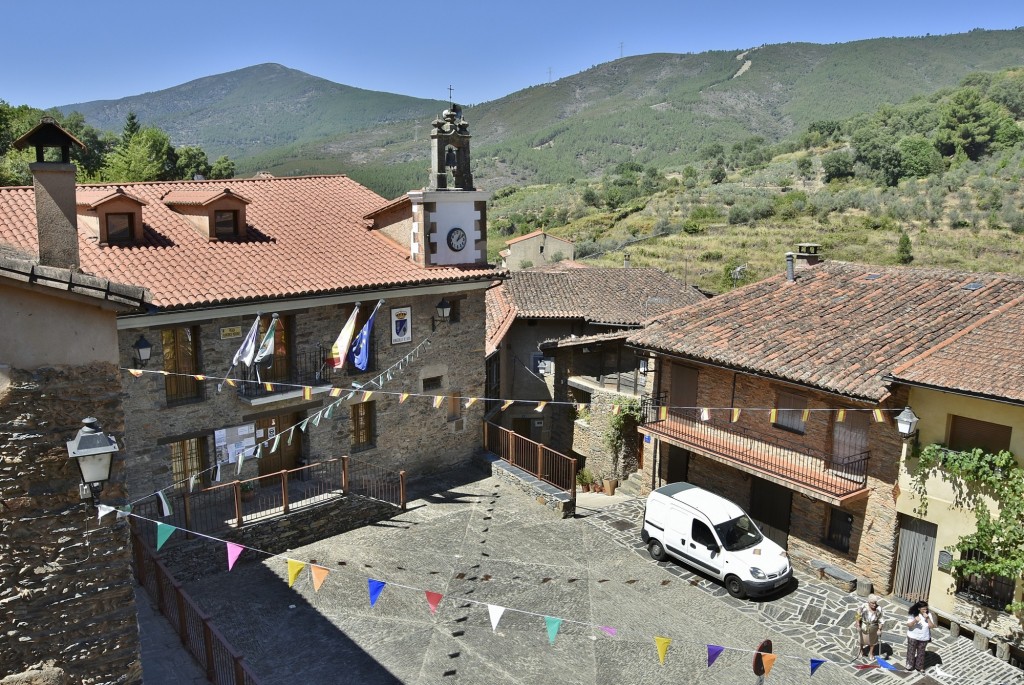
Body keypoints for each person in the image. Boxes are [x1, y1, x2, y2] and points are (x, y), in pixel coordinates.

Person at [905, 600, 936, 672]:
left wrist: (927, 618)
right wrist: (914, 621)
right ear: (919, 608)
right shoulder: (913, 614)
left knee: (921, 652)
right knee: (911, 651)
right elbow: (909, 625)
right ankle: (909, 665)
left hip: (924, 637)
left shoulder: (928, 615)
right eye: (923, 609)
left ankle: (919, 666)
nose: (925, 610)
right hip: (913, 636)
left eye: (926, 609)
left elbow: (931, 626)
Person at [856, 594, 884, 660]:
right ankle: (861, 650)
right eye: (872, 603)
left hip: (874, 627)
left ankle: (871, 653)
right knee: (861, 640)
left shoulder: (879, 608)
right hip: (864, 626)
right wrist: (858, 624)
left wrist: (879, 629)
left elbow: (881, 620)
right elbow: (858, 615)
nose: (874, 605)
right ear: (868, 602)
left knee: (873, 642)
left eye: (875, 603)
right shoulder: (863, 606)